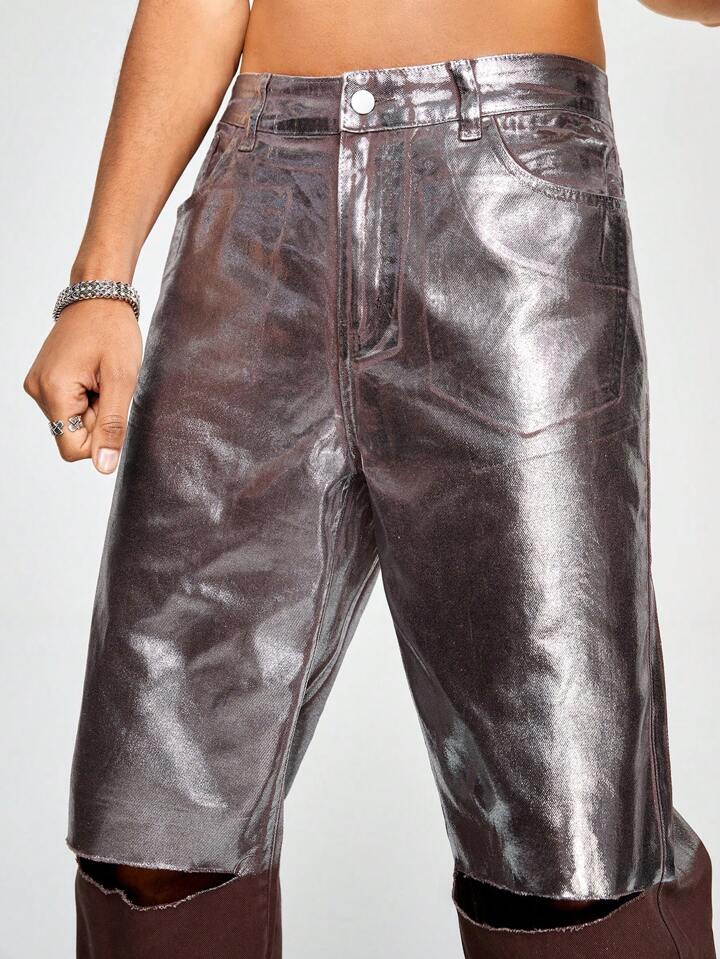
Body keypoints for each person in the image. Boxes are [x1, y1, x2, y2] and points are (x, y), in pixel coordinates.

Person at [23, 1, 718, 956]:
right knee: (152, 825)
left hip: (513, 195)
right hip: (260, 196)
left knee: (568, 838)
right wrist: (101, 281)